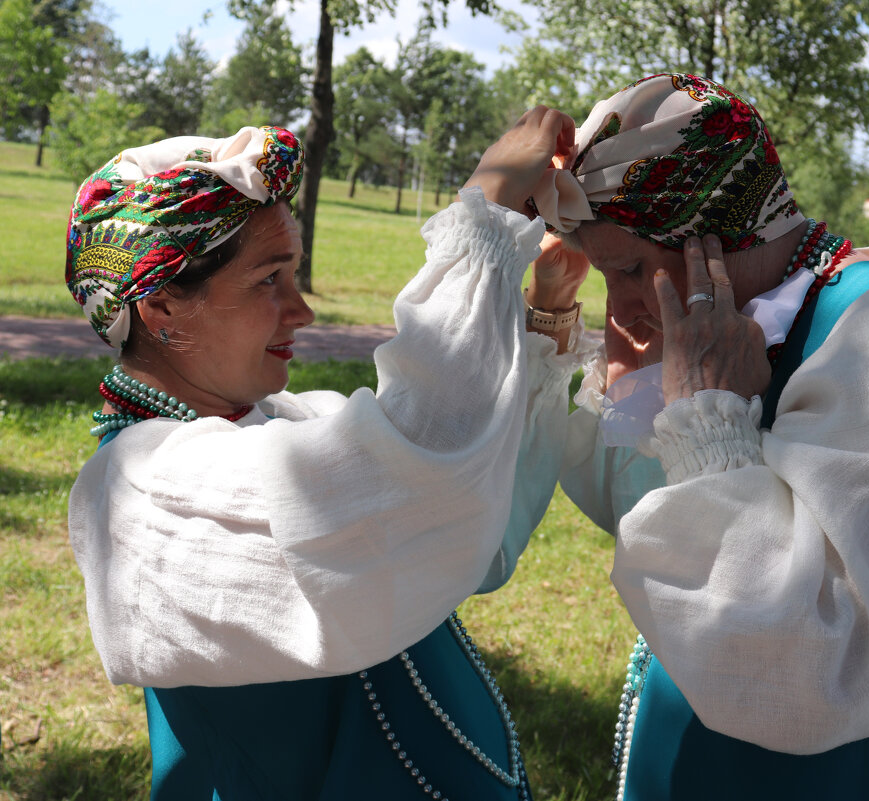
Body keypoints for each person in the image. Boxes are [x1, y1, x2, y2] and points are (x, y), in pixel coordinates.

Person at [524, 73, 869, 799]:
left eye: (633, 269)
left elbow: (817, 668)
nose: (622, 311)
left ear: (715, 231)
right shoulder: (747, 330)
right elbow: (625, 496)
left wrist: (711, 427)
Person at [65, 108, 587, 800]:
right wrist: (485, 210)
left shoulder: (285, 419)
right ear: (162, 310)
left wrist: (545, 307)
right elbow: (408, 471)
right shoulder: (136, 493)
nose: (302, 309)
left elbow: (464, 516)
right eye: (268, 279)